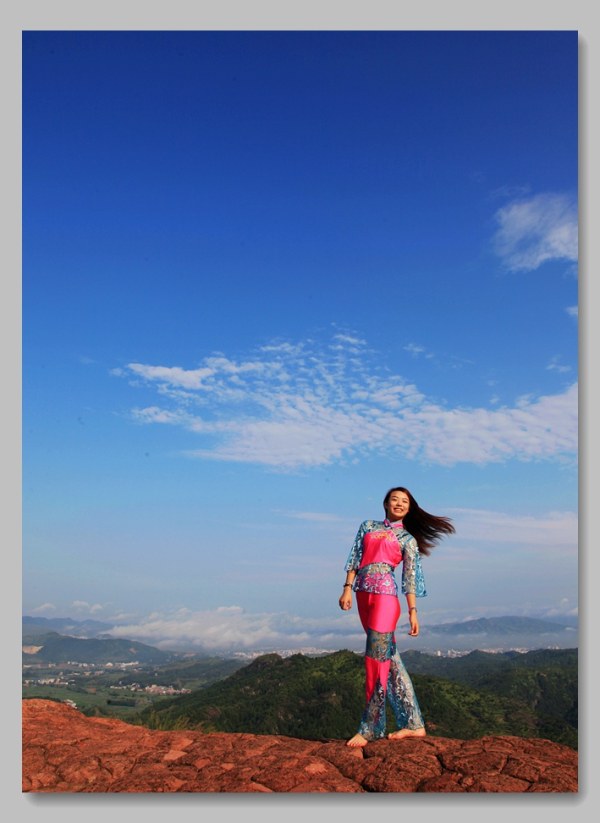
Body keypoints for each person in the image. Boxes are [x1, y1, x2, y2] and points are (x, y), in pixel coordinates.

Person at [339, 486, 455, 747]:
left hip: (386, 599)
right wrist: (347, 588)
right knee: (389, 660)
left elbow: (409, 579)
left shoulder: (407, 539)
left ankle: (371, 727)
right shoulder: (367, 526)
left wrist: (413, 613)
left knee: (374, 660)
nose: (399, 504)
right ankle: (414, 724)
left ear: (409, 508)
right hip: (362, 596)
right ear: (386, 503)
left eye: (405, 501)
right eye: (395, 499)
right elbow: (355, 558)